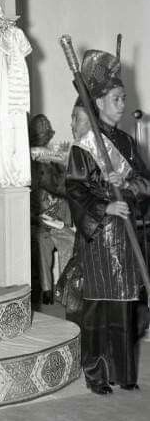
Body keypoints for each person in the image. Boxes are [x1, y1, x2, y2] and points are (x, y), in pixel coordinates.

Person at [66, 49, 150, 395]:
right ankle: (96, 372)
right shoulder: (85, 146)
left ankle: (122, 372)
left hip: (127, 234)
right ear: (98, 102)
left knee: (125, 305)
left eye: (123, 98)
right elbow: (75, 189)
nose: (121, 104)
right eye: (116, 99)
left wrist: (125, 190)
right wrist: (106, 205)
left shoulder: (127, 142)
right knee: (100, 306)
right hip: (100, 237)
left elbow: (144, 182)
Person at [29, 114, 74, 306]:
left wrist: (61, 160)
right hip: (39, 223)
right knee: (41, 245)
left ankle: (65, 289)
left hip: (58, 221)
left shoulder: (55, 161)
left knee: (70, 241)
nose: (43, 138)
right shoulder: (29, 163)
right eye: (40, 135)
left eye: (46, 134)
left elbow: (64, 188)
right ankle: (47, 290)